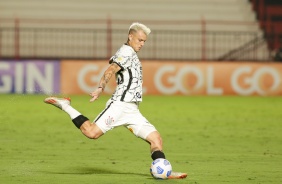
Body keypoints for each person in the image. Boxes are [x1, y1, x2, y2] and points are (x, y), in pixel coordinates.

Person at [44, 22, 187, 179]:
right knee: (91, 133)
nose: (142, 44)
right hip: (119, 105)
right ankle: (65, 106)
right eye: (140, 40)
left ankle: (164, 171)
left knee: (156, 139)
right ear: (130, 36)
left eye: (144, 41)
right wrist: (101, 87)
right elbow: (111, 69)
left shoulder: (131, 53)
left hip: (132, 110)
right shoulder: (126, 52)